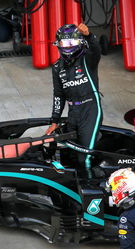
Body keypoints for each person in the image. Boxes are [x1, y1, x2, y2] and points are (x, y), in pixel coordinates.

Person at [46, 23, 102, 171]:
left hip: (90, 109)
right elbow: (58, 95)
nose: (68, 46)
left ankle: (90, 189)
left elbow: (96, 50)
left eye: (72, 42)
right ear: (58, 44)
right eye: (64, 42)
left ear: (79, 43)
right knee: (72, 154)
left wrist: (89, 36)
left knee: (85, 156)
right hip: (72, 113)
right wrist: (54, 121)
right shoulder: (57, 67)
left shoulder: (88, 60)